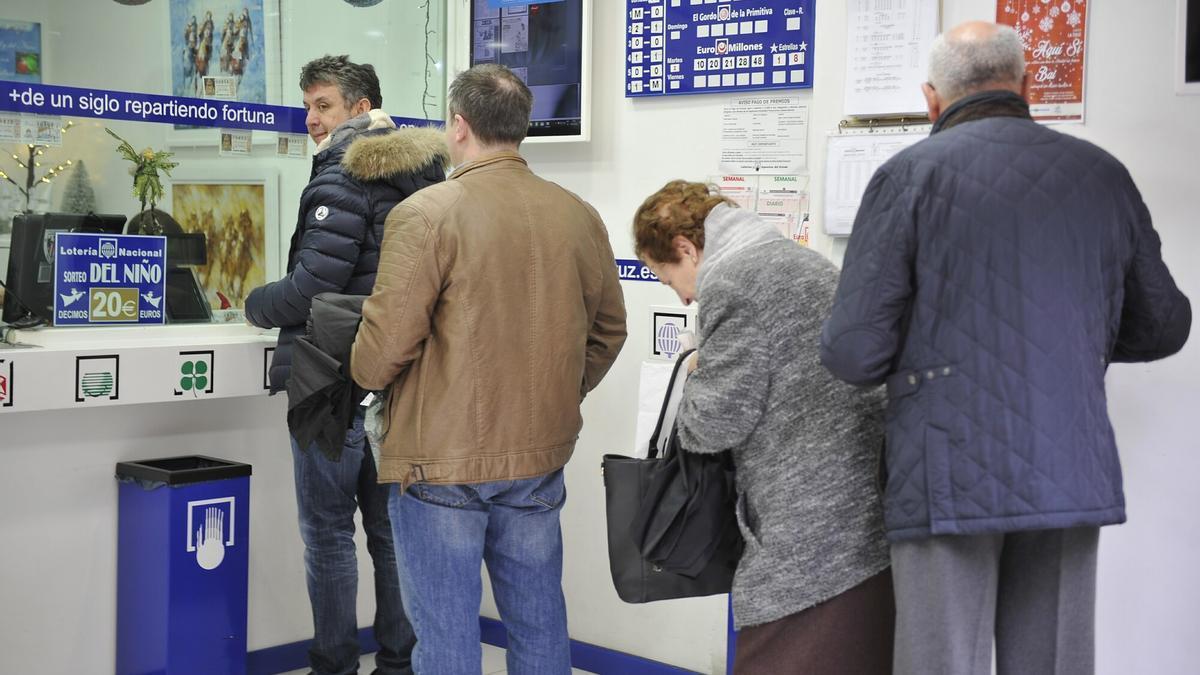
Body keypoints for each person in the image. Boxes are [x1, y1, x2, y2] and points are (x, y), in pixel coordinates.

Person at [820, 21, 1192, 675]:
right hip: (1067, 463)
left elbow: (853, 351)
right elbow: (1164, 323)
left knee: (942, 661)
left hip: (943, 470)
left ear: (932, 98)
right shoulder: (1101, 174)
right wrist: (1075, 345)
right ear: (1025, 85)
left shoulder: (906, 178)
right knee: (1051, 661)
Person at [350, 63, 627, 675]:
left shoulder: (426, 213)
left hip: (439, 462)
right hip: (537, 454)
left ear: (458, 126)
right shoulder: (578, 214)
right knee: (538, 625)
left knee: (446, 638)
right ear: (521, 129)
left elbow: (378, 358)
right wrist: (560, 389)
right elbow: (609, 330)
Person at [633, 180, 894, 674]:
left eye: (668, 280)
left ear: (687, 250)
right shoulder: (799, 260)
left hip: (808, 523)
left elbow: (711, 426)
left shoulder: (732, 281)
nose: (684, 299)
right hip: (861, 504)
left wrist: (695, 371)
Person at [245, 54, 447, 675]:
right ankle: (397, 664)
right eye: (307, 104)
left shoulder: (343, 173)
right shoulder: (425, 175)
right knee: (390, 536)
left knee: (329, 535)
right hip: (397, 380)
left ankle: (334, 664)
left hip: (328, 379)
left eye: (323, 105)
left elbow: (314, 285)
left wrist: (255, 304)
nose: (310, 118)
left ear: (361, 109)